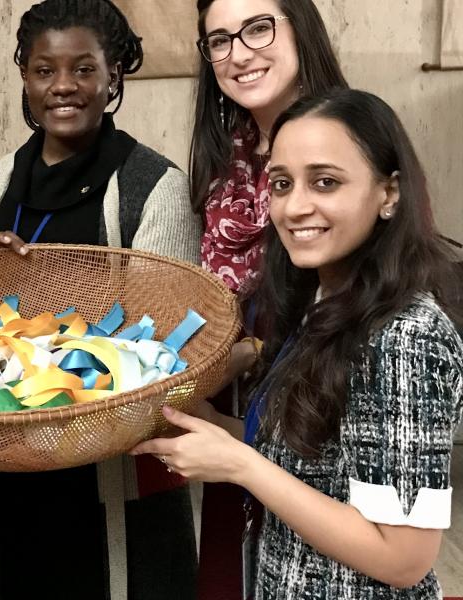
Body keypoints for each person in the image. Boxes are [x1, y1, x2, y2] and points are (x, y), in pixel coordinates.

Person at [135, 88, 463, 599]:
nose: (294, 207)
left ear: (389, 194)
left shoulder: (408, 336)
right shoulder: (320, 299)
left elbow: (403, 558)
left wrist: (241, 467)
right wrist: (193, 416)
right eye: (283, 184)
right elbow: (307, 457)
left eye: (326, 182)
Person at [0, 1, 202, 598]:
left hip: (119, 472)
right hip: (12, 470)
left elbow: (172, 350)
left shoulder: (153, 186)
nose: (63, 86)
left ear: (113, 76)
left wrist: (41, 302)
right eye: (45, 70)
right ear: (24, 76)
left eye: (84, 68)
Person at [187, 2, 348, 596]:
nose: (239, 53)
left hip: (321, 393)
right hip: (237, 393)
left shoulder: (353, 136)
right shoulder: (223, 148)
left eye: (258, 27)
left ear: (301, 29)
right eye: (220, 40)